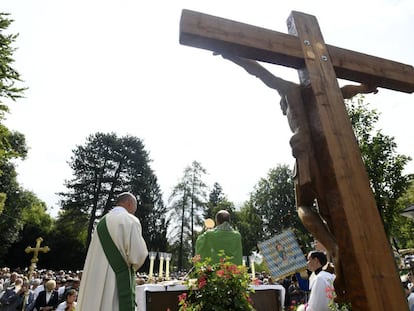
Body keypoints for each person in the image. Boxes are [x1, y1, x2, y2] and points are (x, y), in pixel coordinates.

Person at [76, 192, 148, 311]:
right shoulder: (130, 220)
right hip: (116, 278)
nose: (134, 211)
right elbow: (138, 255)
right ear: (129, 203)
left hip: (95, 276)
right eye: (135, 207)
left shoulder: (101, 223)